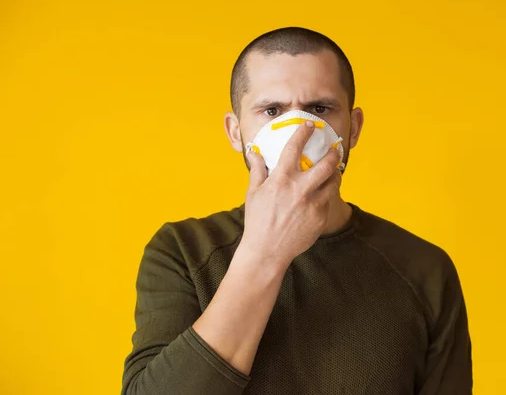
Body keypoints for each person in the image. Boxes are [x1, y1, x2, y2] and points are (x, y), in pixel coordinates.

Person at [121, 26, 473, 395]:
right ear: (236, 132)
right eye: (271, 111)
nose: (296, 132)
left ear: (352, 129)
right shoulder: (182, 252)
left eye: (319, 109)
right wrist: (265, 252)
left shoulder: (424, 270)